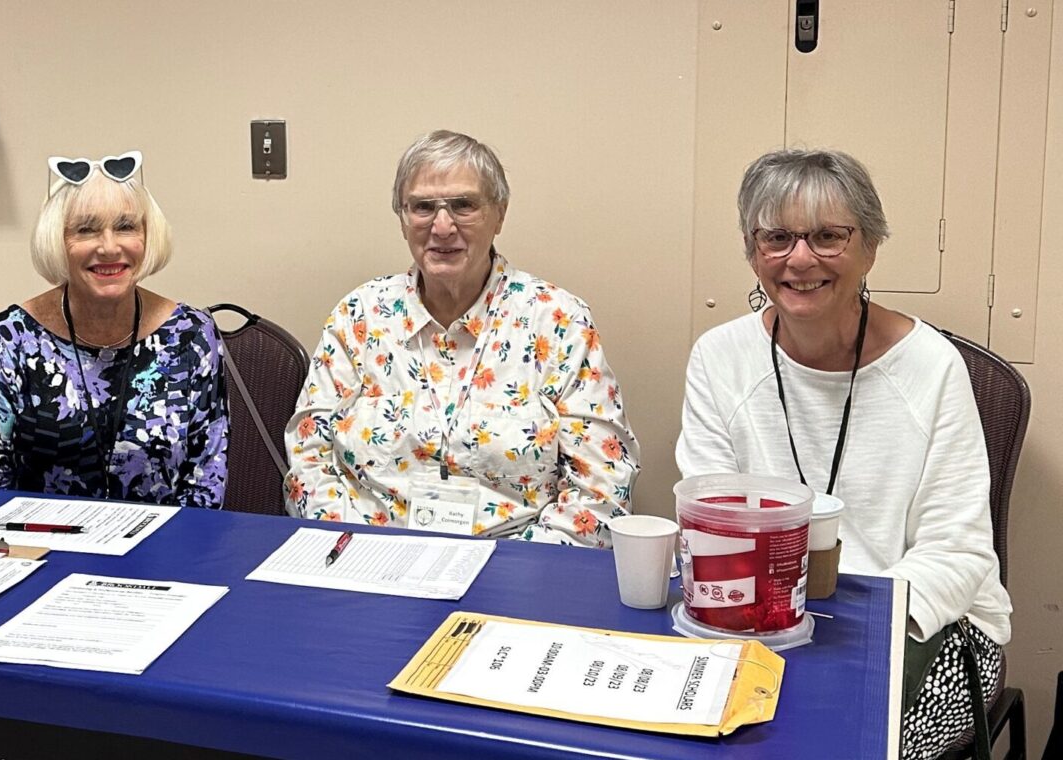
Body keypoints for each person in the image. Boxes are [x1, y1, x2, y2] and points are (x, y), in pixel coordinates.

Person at [678, 148, 1012, 759]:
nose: (799, 259)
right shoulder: (719, 358)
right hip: (762, 616)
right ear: (753, 252)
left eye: (828, 236)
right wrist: (781, 627)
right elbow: (715, 524)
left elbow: (956, 550)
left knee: (837, 741)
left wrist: (841, 636)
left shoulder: (932, 367)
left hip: (918, 622)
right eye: (776, 237)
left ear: (870, 247)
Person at [284, 130, 639, 544]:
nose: (442, 226)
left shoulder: (557, 320)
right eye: (422, 207)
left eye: (463, 205)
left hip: (513, 565)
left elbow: (602, 485)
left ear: (499, 215)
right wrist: (357, 553)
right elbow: (309, 460)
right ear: (402, 218)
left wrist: (521, 567)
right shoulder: (360, 315)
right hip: (370, 561)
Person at [0, 151, 228, 508]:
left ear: (147, 237)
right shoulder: (9, 340)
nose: (109, 247)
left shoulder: (192, 336)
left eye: (126, 226)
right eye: (86, 230)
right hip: (38, 547)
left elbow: (206, 481)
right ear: (57, 240)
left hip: (163, 549)